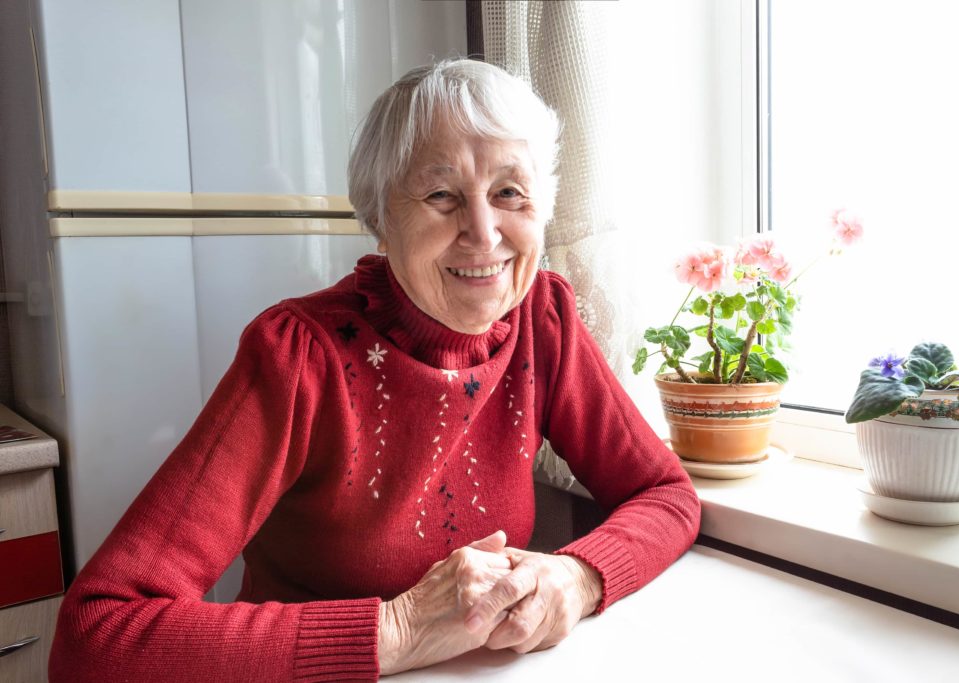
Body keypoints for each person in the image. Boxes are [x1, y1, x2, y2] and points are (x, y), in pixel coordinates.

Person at [49, 58, 700, 681]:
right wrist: (400, 627)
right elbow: (95, 639)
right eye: (442, 195)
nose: (483, 229)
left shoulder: (543, 320)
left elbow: (665, 495)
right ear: (382, 219)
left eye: (509, 192)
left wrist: (576, 576)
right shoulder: (299, 357)